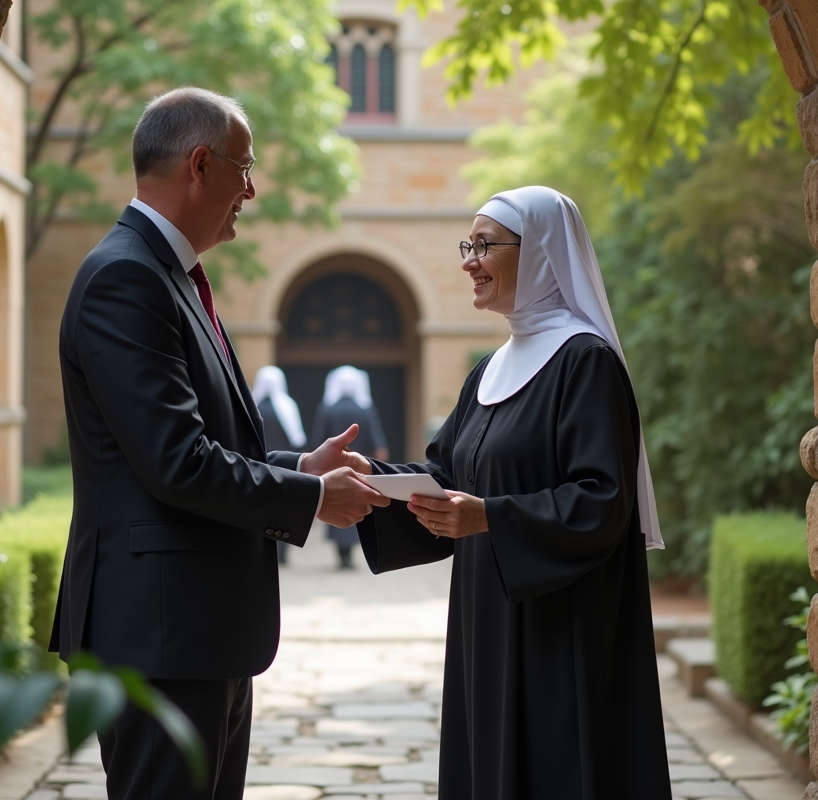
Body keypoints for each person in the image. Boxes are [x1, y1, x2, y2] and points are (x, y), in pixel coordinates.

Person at [48, 87, 388, 800]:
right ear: (200, 165)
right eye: (245, 167)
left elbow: (194, 444)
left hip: (196, 632)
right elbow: (177, 464)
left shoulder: (168, 276)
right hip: (158, 638)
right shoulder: (127, 279)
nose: (252, 190)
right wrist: (312, 498)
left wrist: (300, 465)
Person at [351, 186, 671, 798]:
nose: (469, 259)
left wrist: (491, 518)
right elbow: (447, 473)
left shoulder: (585, 363)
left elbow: (603, 500)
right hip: (488, 620)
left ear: (544, 253)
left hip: (560, 626)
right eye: (467, 245)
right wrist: (365, 477)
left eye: (485, 245)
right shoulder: (490, 370)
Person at [312, 366, 389, 569]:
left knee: (335, 501)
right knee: (356, 504)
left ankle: (341, 554)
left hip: (331, 467)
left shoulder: (327, 409)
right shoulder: (365, 409)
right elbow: (378, 442)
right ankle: (351, 553)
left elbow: (317, 441)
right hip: (360, 466)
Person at [251, 365, 308, 565]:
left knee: (262, 506)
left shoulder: (252, 404)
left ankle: (266, 549)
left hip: (257, 466)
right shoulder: (287, 406)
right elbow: (297, 440)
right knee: (284, 507)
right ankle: (282, 551)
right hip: (284, 467)